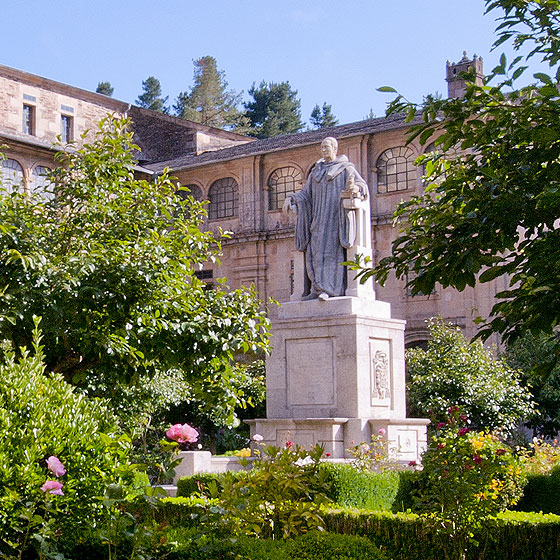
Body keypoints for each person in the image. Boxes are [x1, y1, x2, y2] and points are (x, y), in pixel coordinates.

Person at [283, 137, 369, 300]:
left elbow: (362, 186)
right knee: (315, 252)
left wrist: (354, 188)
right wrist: (292, 198)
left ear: (335, 148)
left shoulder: (346, 169)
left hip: (335, 218)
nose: (323, 150)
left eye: (327, 147)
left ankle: (330, 290)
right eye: (321, 147)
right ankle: (317, 288)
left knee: (331, 253)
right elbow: (305, 194)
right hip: (317, 219)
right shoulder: (316, 172)